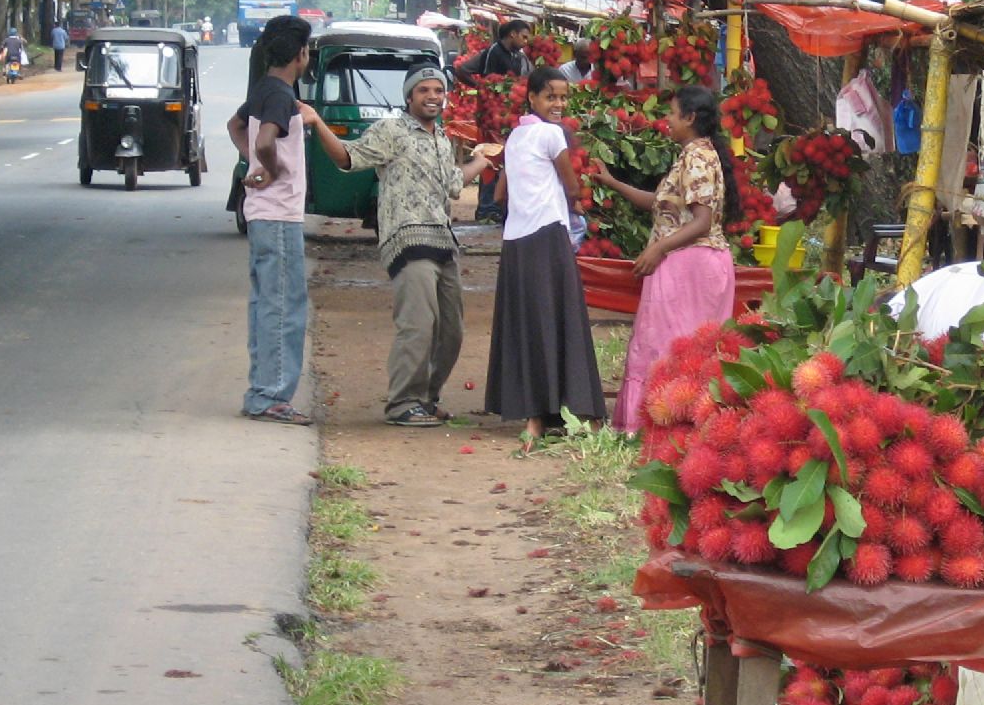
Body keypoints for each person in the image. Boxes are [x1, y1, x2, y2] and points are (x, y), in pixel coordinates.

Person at [300, 63, 501, 427]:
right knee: (419, 324)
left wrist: (480, 162)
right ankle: (401, 403)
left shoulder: (442, 139)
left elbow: (454, 184)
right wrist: (317, 123)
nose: (432, 97)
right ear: (409, 96)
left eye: (438, 91)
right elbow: (347, 158)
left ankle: (425, 397)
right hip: (408, 239)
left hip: (443, 240)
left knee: (452, 330)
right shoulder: (391, 129)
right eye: (424, 90)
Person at [596, 86, 739, 431]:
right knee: (684, 349)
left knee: (667, 347)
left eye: (672, 114)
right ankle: (683, 425)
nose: (666, 121)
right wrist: (612, 183)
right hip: (694, 263)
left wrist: (658, 249)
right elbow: (661, 203)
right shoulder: (696, 154)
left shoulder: (697, 157)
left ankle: (663, 426)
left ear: (690, 118)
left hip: (689, 265)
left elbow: (702, 222)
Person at [486, 65, 606, 451]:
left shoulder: (515, 136)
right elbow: (572, 185)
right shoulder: (553, 134)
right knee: (563, 317)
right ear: (533, 98)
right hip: (548, 235)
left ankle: (535, 417)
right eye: (551, 96)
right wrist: (574, 195)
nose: (558, 103)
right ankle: (578, 413)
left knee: (528, 324)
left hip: (516, 241)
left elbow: (500, 195)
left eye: (563, 97)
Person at [226, 15, 317, 425]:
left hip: (263, 214)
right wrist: (272, 168)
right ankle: (272, 397)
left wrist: (252, 162)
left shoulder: (264, 89)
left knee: (266, 304)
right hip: (280, 216)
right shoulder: (281, 93)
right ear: (300, 54)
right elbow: (264, 139)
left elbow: (236, 125)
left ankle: (260, 391)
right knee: (284, 306)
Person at [456, 18, 534, 224]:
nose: (526, 41)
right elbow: (463, 71)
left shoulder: (518, 56)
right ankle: (486, 209)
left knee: (505, 160)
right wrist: (482, 88)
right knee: (491, 159)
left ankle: (498, 207)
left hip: (510, 116)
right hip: (492, 118)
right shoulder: (494, 52)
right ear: (513, 34)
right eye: (524, 36)